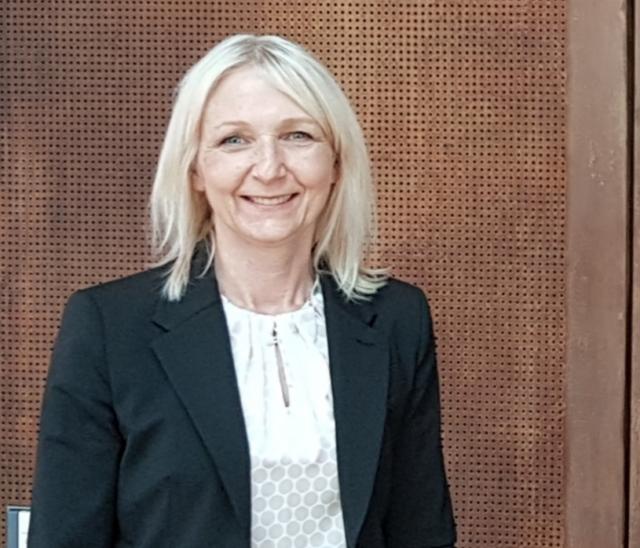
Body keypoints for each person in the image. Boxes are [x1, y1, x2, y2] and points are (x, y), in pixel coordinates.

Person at [28, 34, 456, 548]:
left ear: (337, 162)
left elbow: (420, 529)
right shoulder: (110, 328)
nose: (270, 168)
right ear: (195, 169)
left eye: (298, 135)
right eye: (235, 140)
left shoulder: (396, 319)